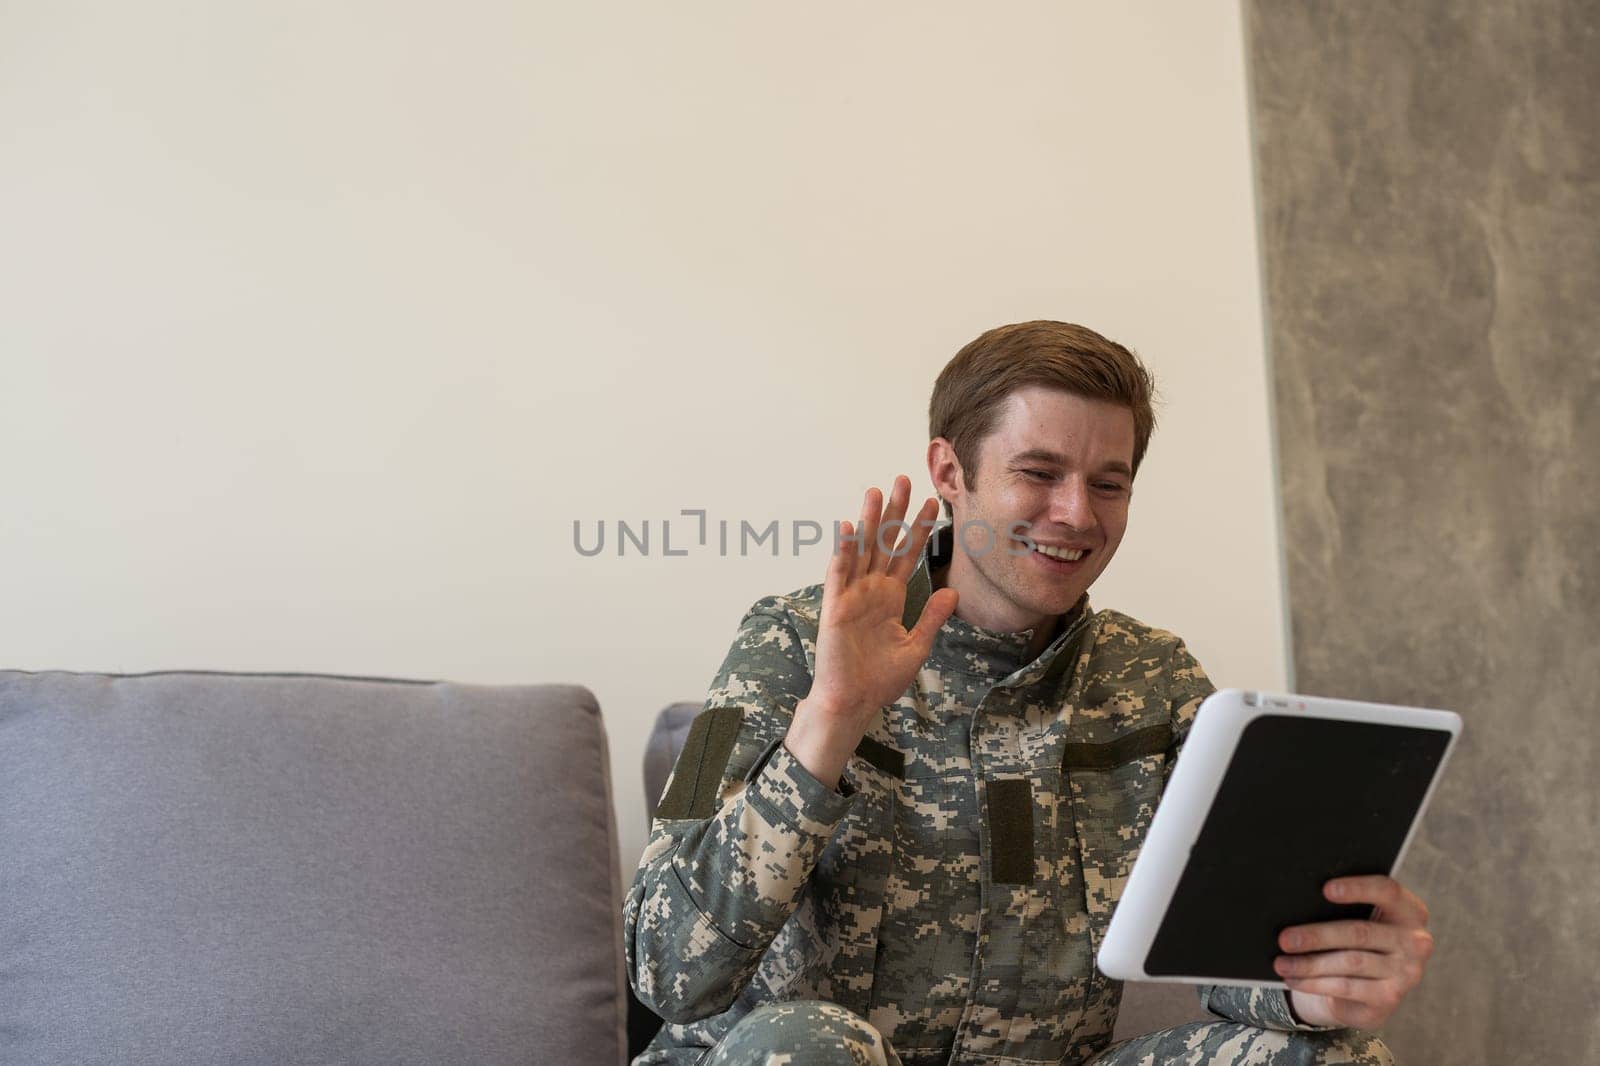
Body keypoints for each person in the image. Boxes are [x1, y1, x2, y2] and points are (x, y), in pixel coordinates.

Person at [625, 321, 1433, 1065]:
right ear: (952, 471)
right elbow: (662, 969)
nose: (1076, 514)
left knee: (1331, 1057)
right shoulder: (783, 641)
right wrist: (831, 719)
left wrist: (1315, 982)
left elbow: (1222, 952)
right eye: (1039, 473)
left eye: (1108, 484)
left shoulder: (1156, 682)